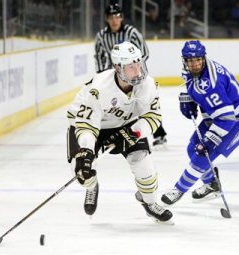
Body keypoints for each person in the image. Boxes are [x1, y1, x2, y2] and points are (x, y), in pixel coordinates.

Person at [67, 41, 173, 223]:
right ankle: (92, 186)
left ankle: (149, 202)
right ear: (118, 67)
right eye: (131, 67)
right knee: (82, 170)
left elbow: (153, 117)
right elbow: (86, 125)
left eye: (138, 64)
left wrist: (135, 133)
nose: (137, 71)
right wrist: (86, 151)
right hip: (91, 127)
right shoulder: (98, 89)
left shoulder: (147, 84)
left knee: (143, 163)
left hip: (126, 125)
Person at [161, 40, 239, 205]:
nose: (195, 64)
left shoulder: (212, 83)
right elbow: (195, 87)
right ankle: (212, 184)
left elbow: (227, 118)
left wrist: (210, 139)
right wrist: (188, 98)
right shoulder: (190, 72)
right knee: (192, 147)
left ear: (203, 58)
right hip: (217, 116)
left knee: (203, 153)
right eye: (190, 60)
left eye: (198, 59)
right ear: (184, 61)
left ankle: (179, 189)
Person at [94, 3, 168, 147]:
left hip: (137, 76)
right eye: (111, 17)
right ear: (106, 19)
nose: (114, 20)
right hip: (116, 79)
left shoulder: (131, 32)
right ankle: (113, 134)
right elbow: (99, 57)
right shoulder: (102, 36)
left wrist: (131, 69)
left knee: (144, 104)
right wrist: (105, 76)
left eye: (117, 16)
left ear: (121, 17)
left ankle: (159, 134)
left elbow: (144, 52)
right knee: (117, 106)